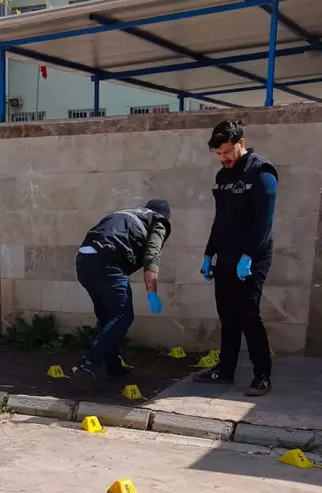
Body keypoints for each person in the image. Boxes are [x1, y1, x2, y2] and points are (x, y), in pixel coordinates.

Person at [194, 119, 279, 396]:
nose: (223, 158)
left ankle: (262, 374)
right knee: (227, 314)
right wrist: (209, 254)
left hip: (253, 256)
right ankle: (225, 368)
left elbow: (263, 223)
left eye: (227, 152)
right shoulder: (223, 177)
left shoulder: (262, 173)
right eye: (218, 154)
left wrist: (249, 257)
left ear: (240, 143)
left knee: (247, 313)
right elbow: (220, 221)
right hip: (227, 255)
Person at [71, 200, 172, 383]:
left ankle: (111, 365)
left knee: (107, 317)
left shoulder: (125, 214)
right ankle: (89, 363)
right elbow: (152, 254)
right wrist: (152, 292)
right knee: (123, 316)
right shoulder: (158, 221)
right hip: (107, 262)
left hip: (84, 262)